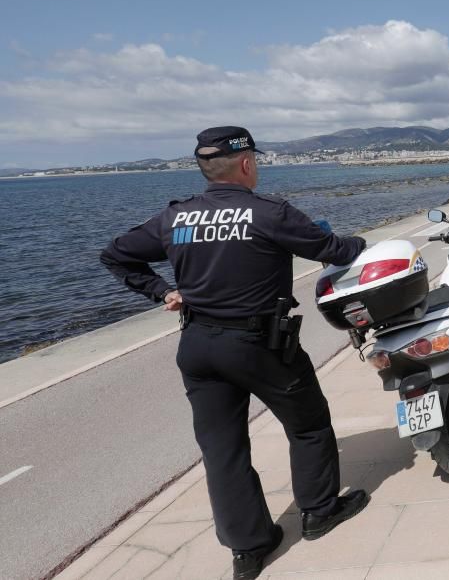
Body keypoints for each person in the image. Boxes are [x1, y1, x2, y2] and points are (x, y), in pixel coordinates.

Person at [100, 126, 370, 580]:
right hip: (262, 345)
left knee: (222, 450)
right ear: (247, 164)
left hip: (199, 346)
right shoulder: (269, 213)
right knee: (308, 425)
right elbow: (331, 249)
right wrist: (359, 245)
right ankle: (319, 511)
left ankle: (248, 548)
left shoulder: (175, 218)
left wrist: (162, 291)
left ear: (207, 169)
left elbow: (115, 255)